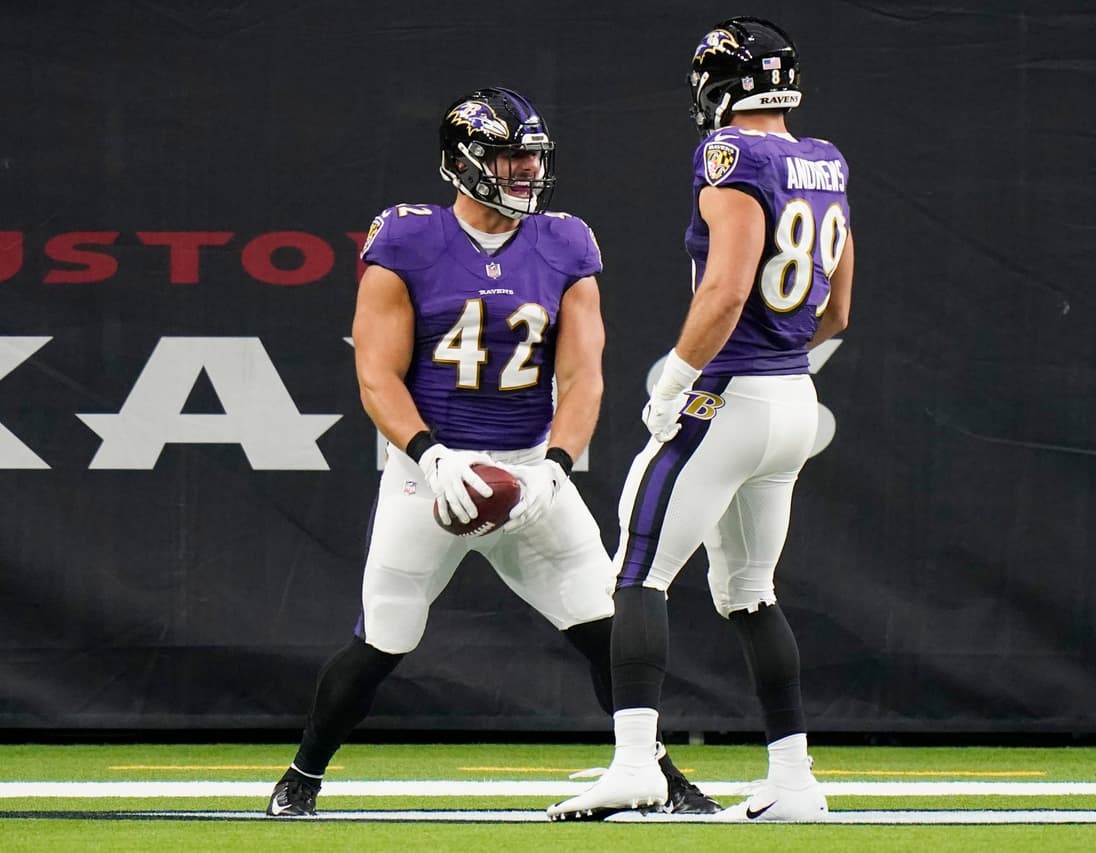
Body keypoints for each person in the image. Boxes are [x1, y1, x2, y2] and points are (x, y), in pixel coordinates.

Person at [267, 86, 716, 817]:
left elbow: (583, 374)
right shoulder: (406, 238)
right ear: (463, 161)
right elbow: (375, 371)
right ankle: (302, 775)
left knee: (604, 625)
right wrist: (430, 455)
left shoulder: (566, 240)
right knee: (386, 634)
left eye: (531, 158)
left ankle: (658, 775)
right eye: (509, 158)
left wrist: (555, 468)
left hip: (530, 466)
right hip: (431, 473)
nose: (524, 173)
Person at [548, 17, 854, 823]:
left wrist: (679, 378)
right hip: (793, 397)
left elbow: (725, 287)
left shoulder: (733, 155)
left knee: (639, 573)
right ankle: (795, 781)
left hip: (730, 394)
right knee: (752, 591)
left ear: (720, 84)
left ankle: (634, 763)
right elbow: (838, 308)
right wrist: (787, 368)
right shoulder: (824, 161)